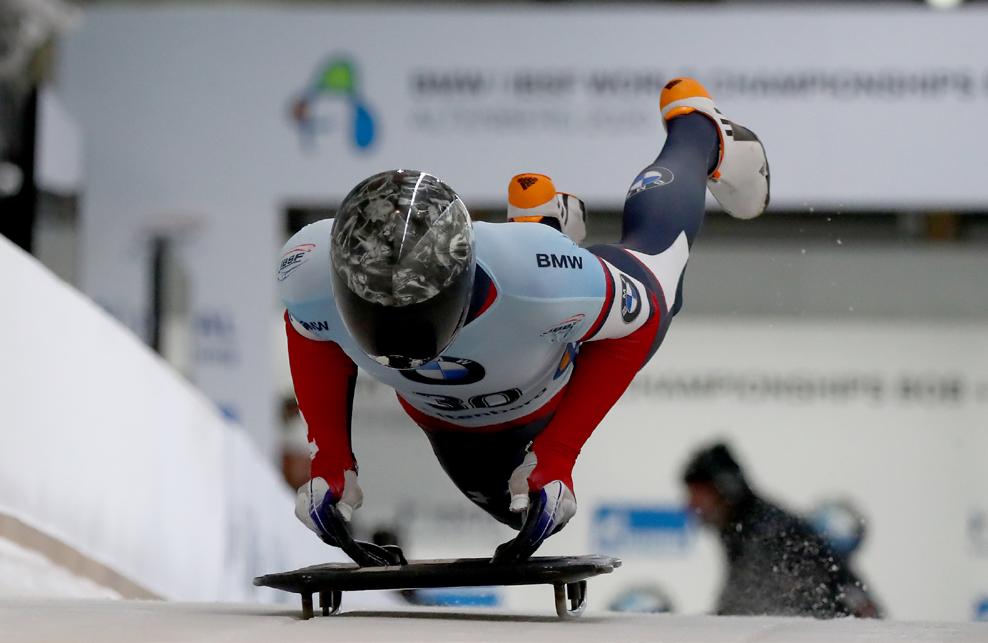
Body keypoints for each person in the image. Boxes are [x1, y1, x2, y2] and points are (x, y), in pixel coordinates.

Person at [278, 78, 770, 565]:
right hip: (468, 404)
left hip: (546, 343)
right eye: (373, 312)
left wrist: (559, 452)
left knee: (660, 272)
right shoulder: (308, 271)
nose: (399, 342)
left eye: (414, 315)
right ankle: (541, 226)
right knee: (516, 514)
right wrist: (330, 457)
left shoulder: (535, 284)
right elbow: (309, 327)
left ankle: (695, 128)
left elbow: (644, 318)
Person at [682, 442, 882, 618]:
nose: (691, 505)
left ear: (725, 488)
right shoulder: (747, 527)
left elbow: (744, 612)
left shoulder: (766, 535)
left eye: (698, 495)